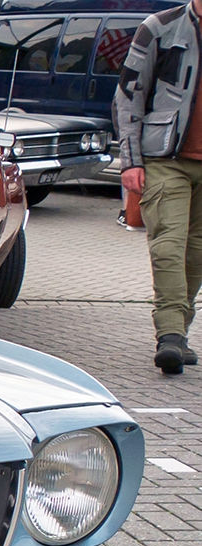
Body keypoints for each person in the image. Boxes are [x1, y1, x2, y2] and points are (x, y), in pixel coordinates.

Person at [113, 0, 202, 375]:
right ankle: (168, 336)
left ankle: (179, 331)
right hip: (165, 157)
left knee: (196, 255)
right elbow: (129, 94)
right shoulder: (161, 27)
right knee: (167, 245)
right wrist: (131, 160)